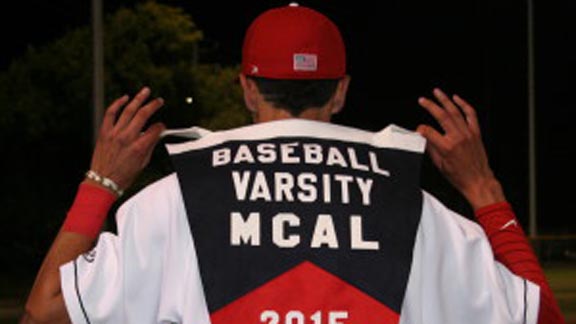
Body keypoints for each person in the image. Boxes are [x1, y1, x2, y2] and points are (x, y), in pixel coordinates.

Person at [21, 3, 564, 324]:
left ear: (248, 88)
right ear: (341, 92)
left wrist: (102, 182)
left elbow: (42, 312)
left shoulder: (173, 202)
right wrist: (483, 188)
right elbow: (540, 315)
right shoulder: (415, 209)